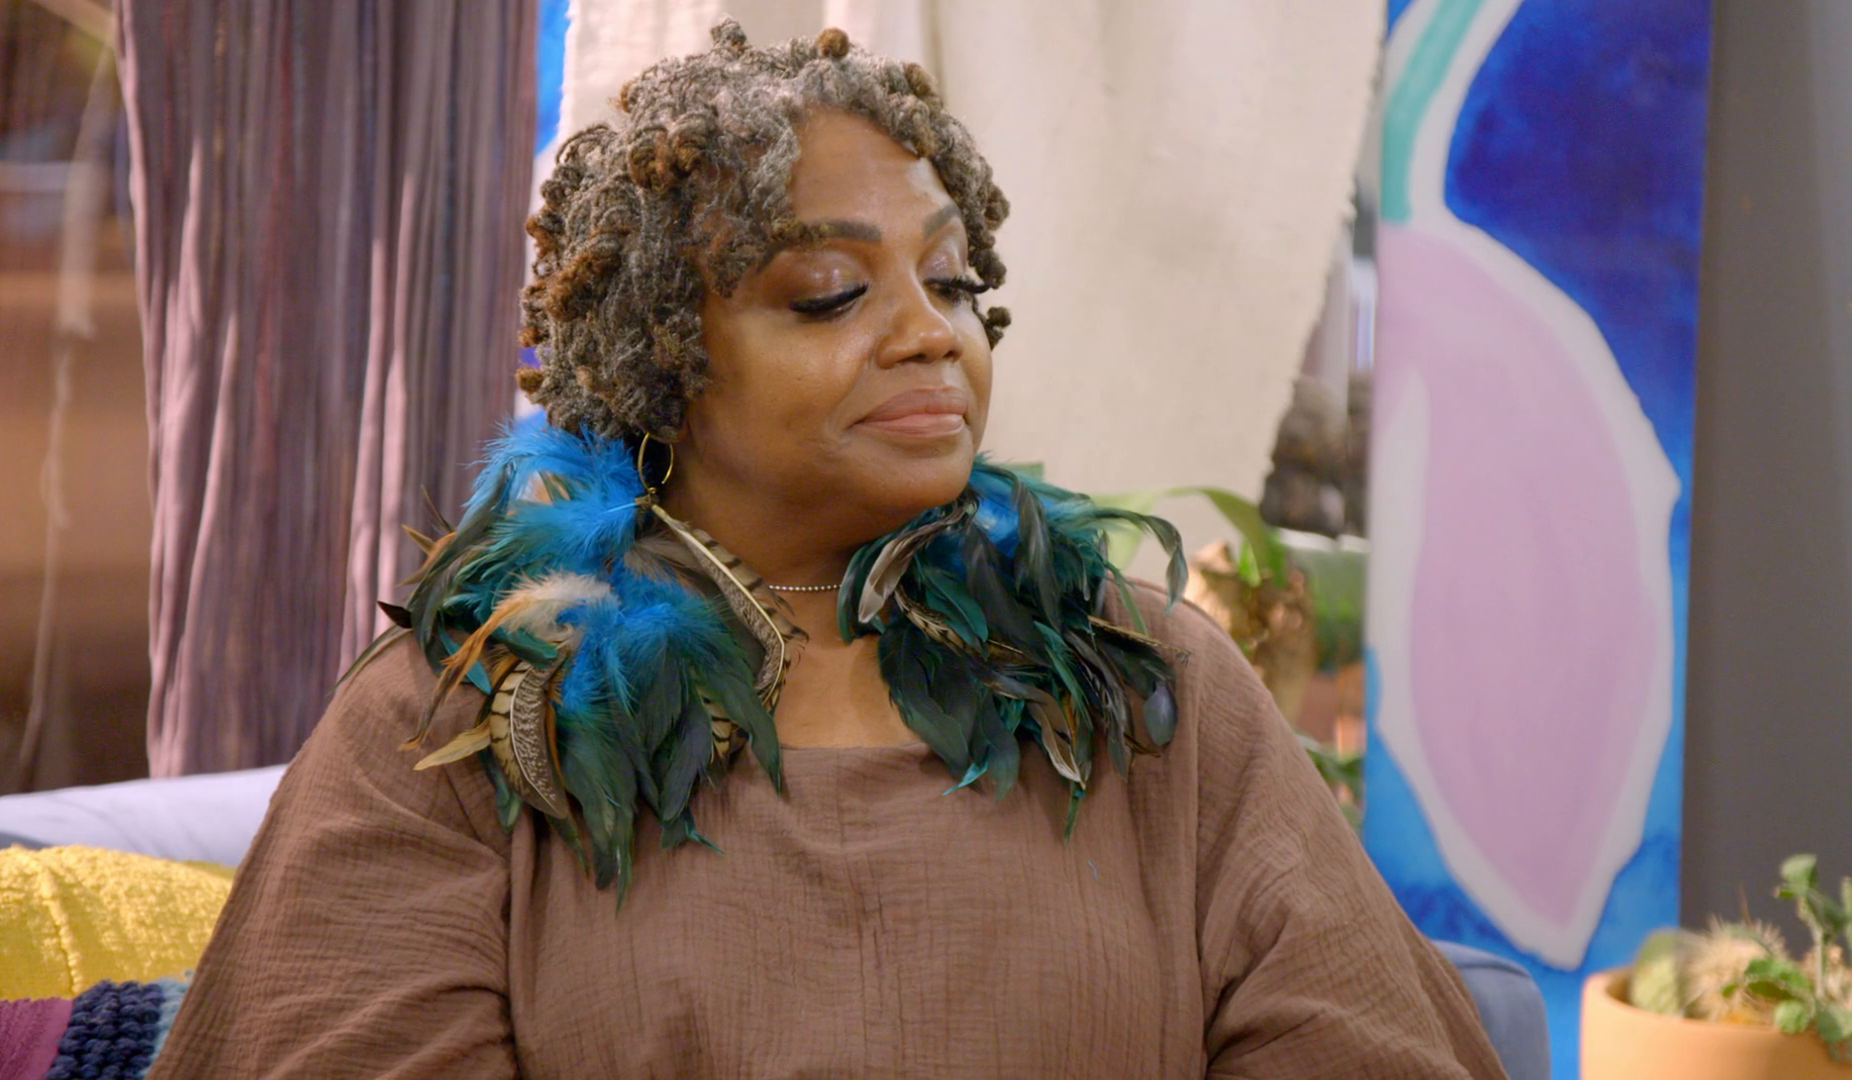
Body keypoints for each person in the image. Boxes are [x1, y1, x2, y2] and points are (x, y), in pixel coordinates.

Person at [151, 21, 1507, 1079]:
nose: (932, 334)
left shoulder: (1149, 683)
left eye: (955, 283)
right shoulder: (462, 715)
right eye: (830, 293)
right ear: (661, 358)